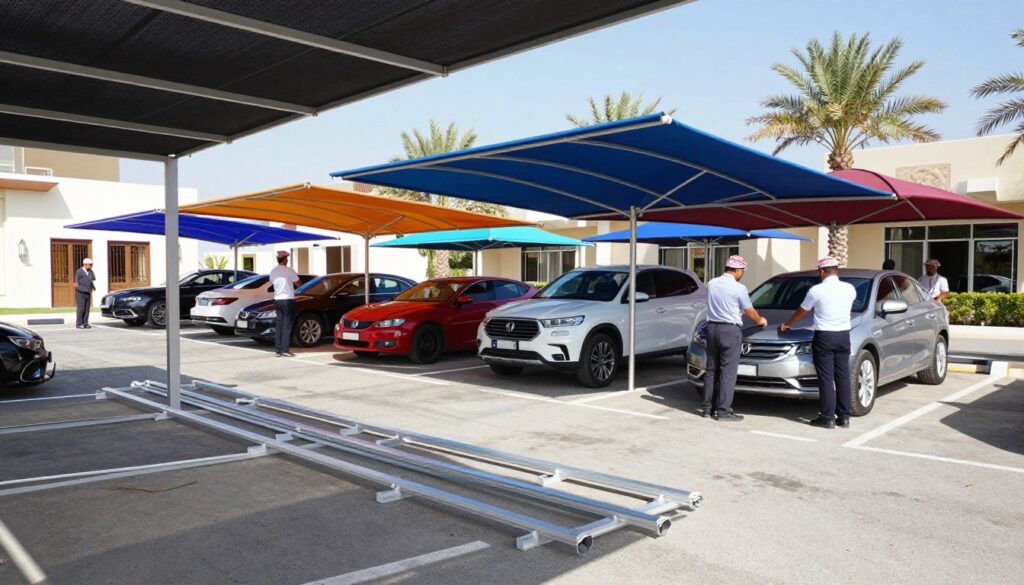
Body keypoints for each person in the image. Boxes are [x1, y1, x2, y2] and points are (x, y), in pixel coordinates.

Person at [779, 257, 857, 429]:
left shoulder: (817, 290)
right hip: (844, 336)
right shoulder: (850, 289)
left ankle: (827, 417)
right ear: (836, 270)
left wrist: (787, 325)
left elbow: (803, 310)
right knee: (842, 376)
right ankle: (844, 417)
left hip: (825, 336)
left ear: (822, 272)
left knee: (826, 378)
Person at [701, 255, 768, 422]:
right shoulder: (739, 288)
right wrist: (760, 320)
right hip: (729, 330)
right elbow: (748, 310)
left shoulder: (711, 283)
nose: (742, 274)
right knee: (728, 372)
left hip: (711, 328)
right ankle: (723, 411)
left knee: (711, 370)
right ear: (738, 270)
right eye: (742, 271)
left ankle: (707, 409)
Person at [269, 250, 301, 357]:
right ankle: (285, 350)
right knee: (287, 325)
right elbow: (298, 283)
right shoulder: (289, 271)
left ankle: (278, 350)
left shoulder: (273, 271)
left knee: (279, 325)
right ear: (285, 259)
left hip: (277, 300)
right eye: (287, 258)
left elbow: (273, 283)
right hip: (288, 299)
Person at [74, 258, 96, 329]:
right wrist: (84, 289)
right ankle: (79, 323)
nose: (91, 266)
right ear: (85, 264)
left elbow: (92, 280)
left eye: (92, 265)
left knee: (87, 308)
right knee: (81, 308)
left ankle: (85, 322)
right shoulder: (79, 271)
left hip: (88, 292)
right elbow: (76, 283)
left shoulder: (90, 271)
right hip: (80, 293)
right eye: (90, 265)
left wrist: (92, 288)